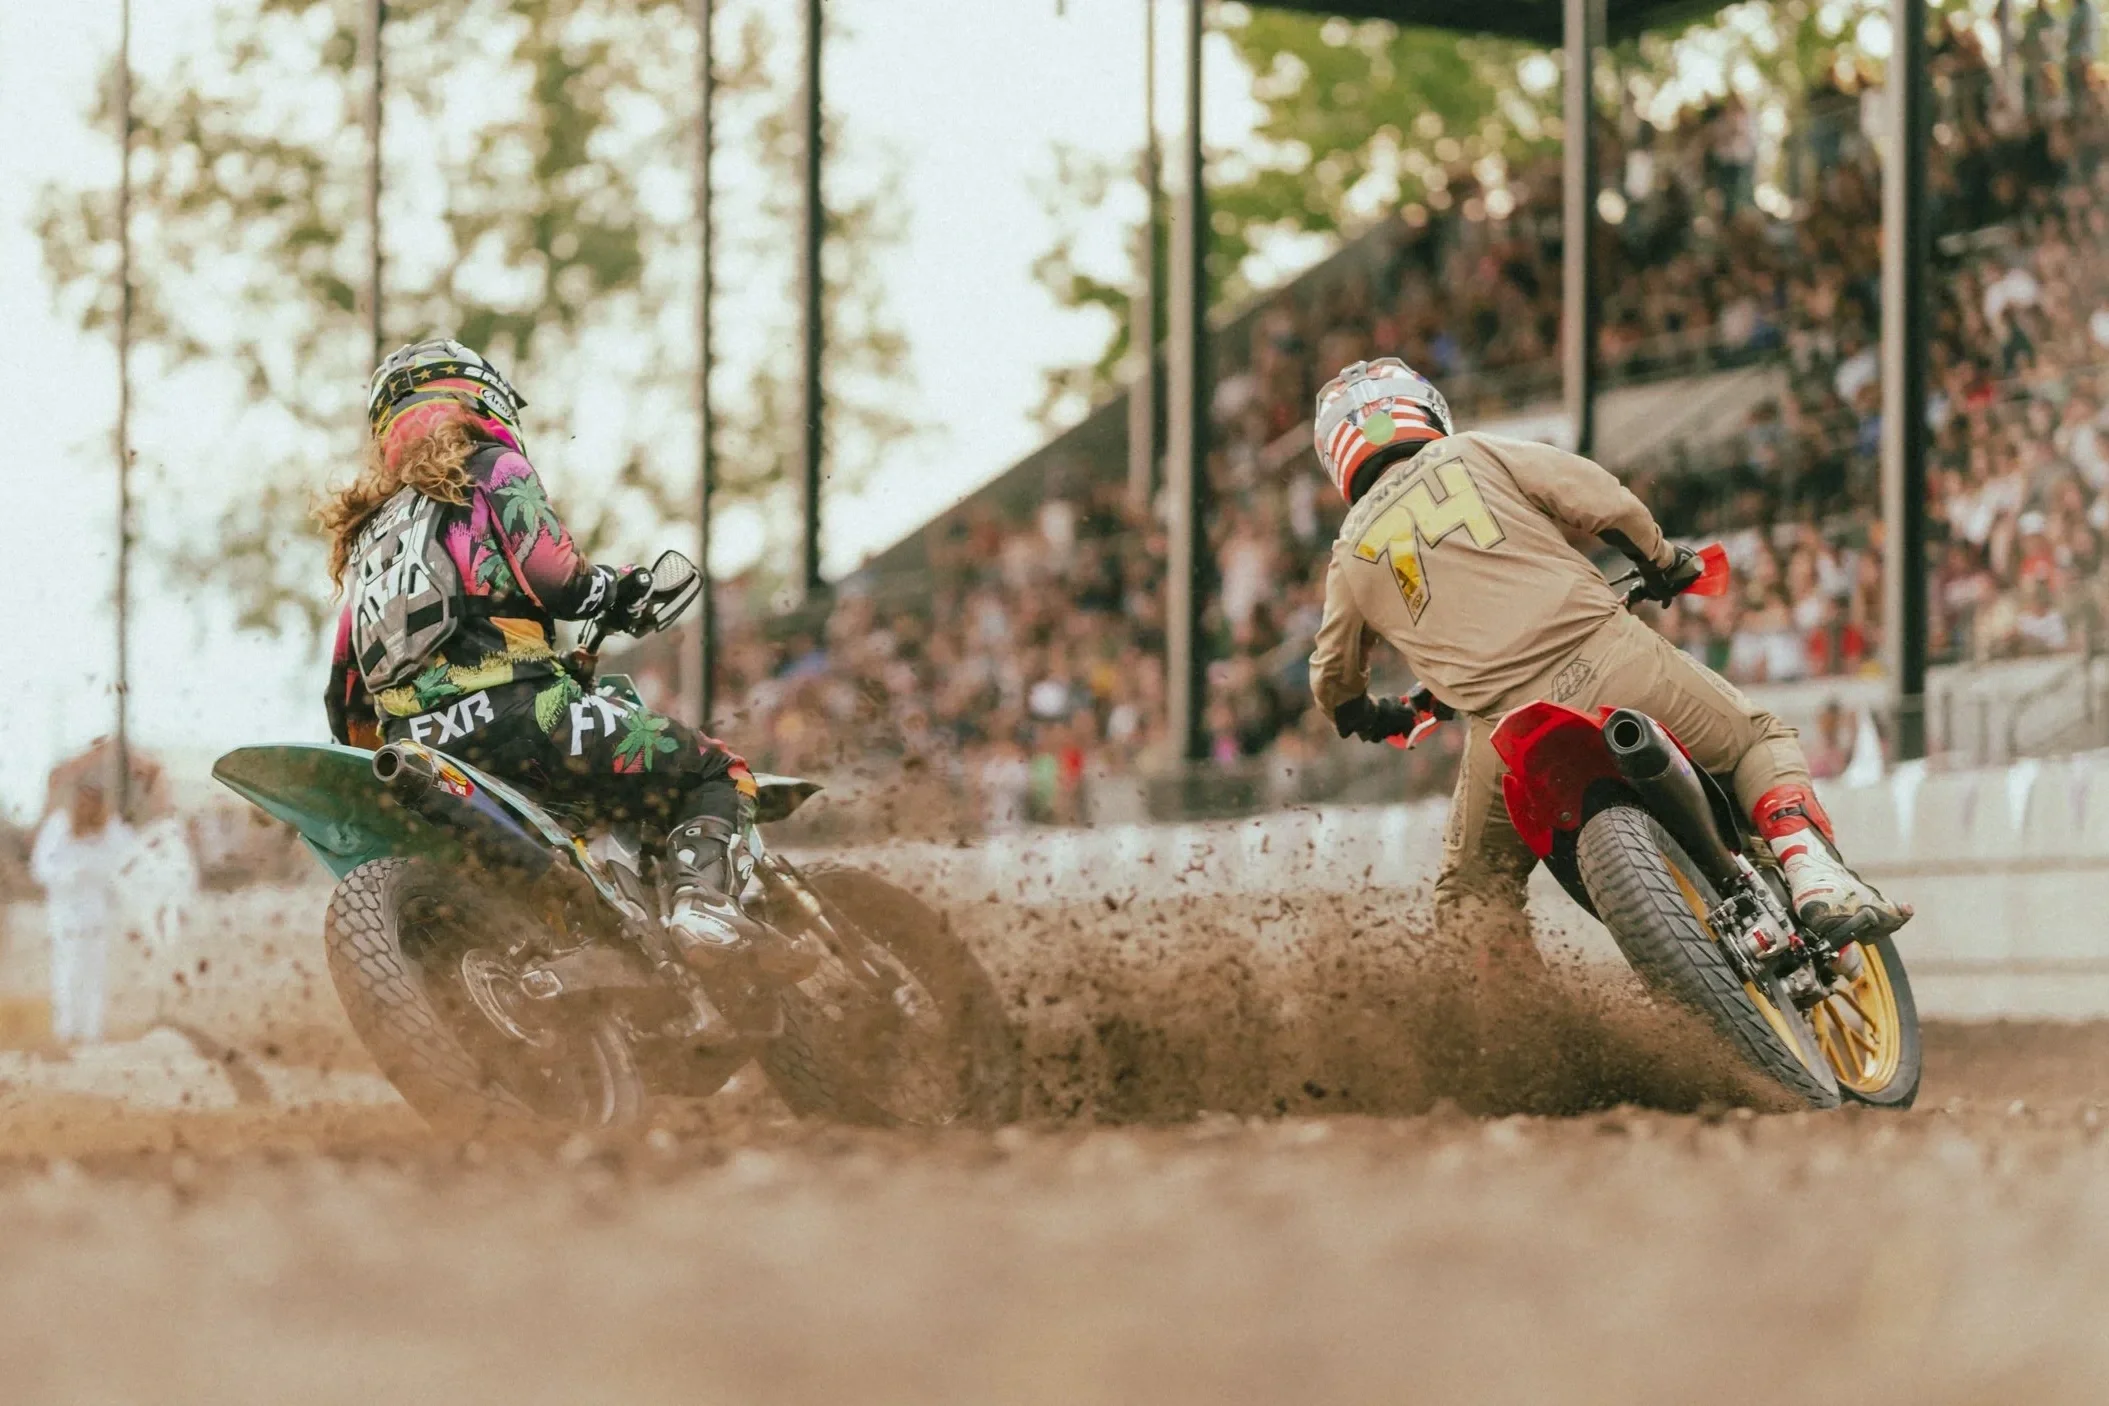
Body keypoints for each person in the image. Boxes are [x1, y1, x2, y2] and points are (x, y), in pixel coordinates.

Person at [1304, 358, 1909, 976]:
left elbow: (1331, 676)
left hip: (1502, 731)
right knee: (1757, 738)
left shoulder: (1350, 551)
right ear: (1423, 410)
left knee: (1470, 897)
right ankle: (1810, 870)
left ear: (1338, 455)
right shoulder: (1475, 453)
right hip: (1608, 658)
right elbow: (1603, 500)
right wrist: (1663, 560)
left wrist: (1371, 716)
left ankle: (1531, 1033)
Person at [317, 338, 801, 1034]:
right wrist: (621, 587)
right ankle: (701, 907)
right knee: (709, 770)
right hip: (526, 717)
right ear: (477, 397)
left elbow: (344, 697)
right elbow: (556, 577)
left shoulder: (366, 543)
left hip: (425, 759)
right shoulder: (491, 466)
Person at [29, 774, 135, 1049]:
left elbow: (129, 861)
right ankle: (66, 1031)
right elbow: (40, 868)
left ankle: (91, 1033)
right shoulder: (58, 827)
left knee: (94, 973)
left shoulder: (111, 830)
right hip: (65, 912)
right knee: (67, 971)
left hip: (97, 913)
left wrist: (106, 877)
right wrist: (69, 875)